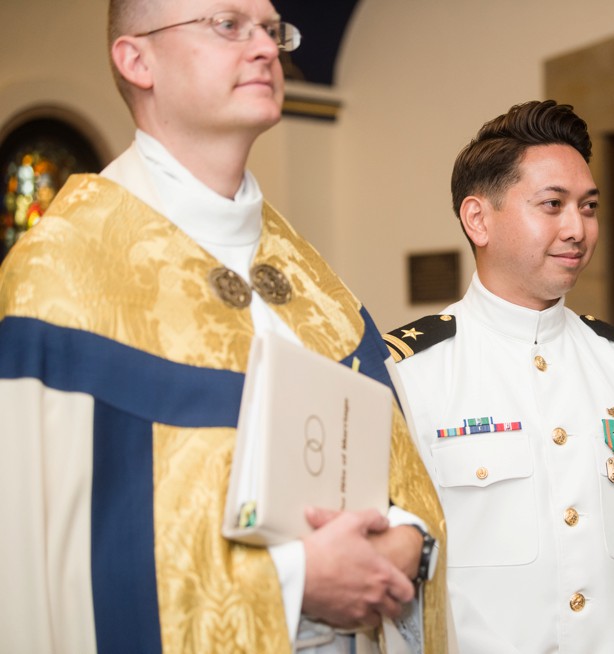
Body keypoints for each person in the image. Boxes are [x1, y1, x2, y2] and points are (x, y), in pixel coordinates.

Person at [0, 0, 451, 652]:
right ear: (137, 59)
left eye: (271, 29)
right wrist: (294, 579)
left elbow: (393, 472)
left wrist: (410, 539)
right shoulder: (58, 279)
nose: (267, 48)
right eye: (228, 25)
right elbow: (41, 564)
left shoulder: (315, 284)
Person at [385, 100, 614, 653]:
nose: (577, 229)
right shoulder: (409, 374)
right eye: (552, 205)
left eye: (588, 207)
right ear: (478, 219)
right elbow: (398, 583)